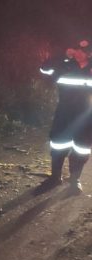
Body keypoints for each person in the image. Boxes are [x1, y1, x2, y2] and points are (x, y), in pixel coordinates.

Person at [40, 39, 92, 192]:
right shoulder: (64, 65)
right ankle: (55, 177)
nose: (78, 52)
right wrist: (61, 56)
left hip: (86, 116)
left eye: (83, 50)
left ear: (89, 53)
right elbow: (44, 70)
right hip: (64, 113)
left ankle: (75, 181)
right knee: (58, 144)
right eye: (76, 49)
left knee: (81, 148)